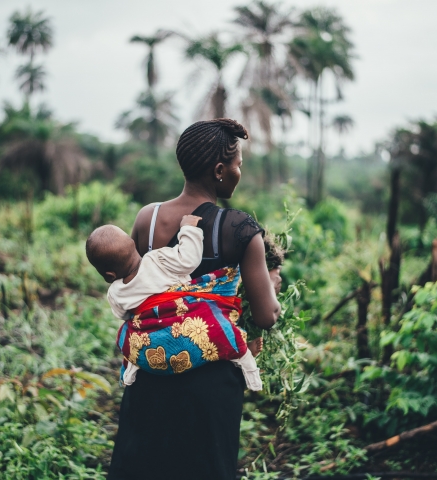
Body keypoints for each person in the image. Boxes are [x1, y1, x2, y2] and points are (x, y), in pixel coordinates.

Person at [107, 118, 281, 480]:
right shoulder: (240, 229)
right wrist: (272, 288)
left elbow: (141, 287)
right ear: (220, 170)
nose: (238, 172)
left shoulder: (147, 219)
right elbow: (265, 317)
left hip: (150, 372)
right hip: (209, 385)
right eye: (237, 165)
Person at [85, 214, 263, 390]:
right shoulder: (157, 259)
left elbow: (124, 315)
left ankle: (130, 371)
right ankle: (247, 363)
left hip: (153, 346)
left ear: (109, 275)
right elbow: (189, 259)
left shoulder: (115, 292)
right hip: (185, 324)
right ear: (133, 245)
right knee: (217, 327)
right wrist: (188, 228)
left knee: (126, 334)